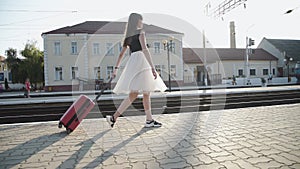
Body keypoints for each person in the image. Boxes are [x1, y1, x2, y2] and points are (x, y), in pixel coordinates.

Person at [106, 13, 167, 128]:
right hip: (142, 61)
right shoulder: (140, 32)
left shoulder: (128, 36)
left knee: (134, 94)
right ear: (137, 21)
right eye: (141, 20)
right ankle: (149, 121)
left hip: (133, 62)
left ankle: (114, 118)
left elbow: (121, 55)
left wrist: (115, 69)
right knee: (146, 92)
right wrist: (153, 68)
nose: (142, 22)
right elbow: (145, 49)